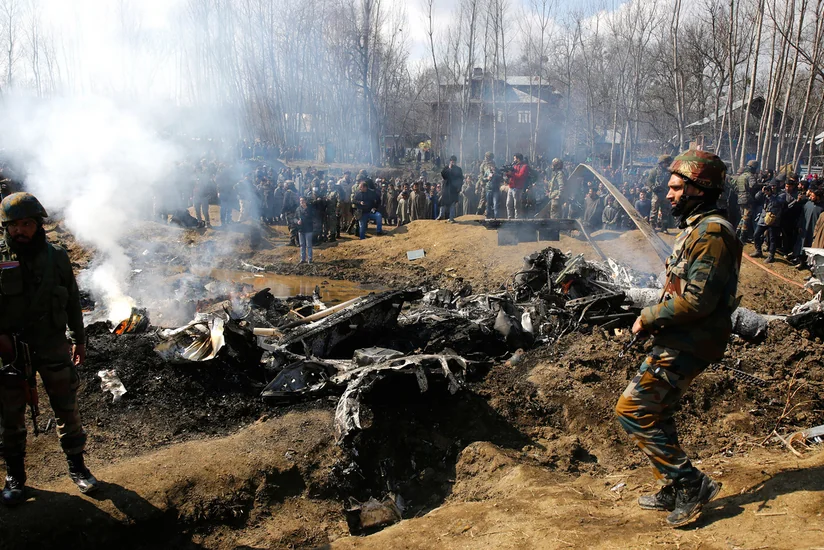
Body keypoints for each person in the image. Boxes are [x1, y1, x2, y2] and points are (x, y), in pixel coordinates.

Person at [615, 150, 742, 528]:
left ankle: (691, 484)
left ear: (699, 188)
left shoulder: (713, 233)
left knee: (632, 409)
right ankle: (672, 484)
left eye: (675, 188)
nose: (668, 195)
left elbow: (699, 300)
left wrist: (647, 317)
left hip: (692, 340)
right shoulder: (698, 227)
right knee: (659, 411)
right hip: (680, 337)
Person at [0, 193, 99, 505]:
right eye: (13, 225)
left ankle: (78, 466)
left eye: (26, 224)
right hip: (11, 349)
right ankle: (15, 476)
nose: (20, 231)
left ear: (38, 225)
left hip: (53, 342)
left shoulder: (56, 256)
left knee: (66, 405)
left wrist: (79, 339)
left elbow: (71, 298)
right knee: (10, 415)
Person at [751, 182, 785, 263]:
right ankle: (758, 250)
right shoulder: (765, 195)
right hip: (764, 217)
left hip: (773, 219)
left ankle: (771, 256)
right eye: (771, 186)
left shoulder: (781, 194)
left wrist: (771, 195)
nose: (772, 187)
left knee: (772, 239)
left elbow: (780, 202)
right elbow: (757, 197)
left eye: (774, 186)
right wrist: (762, 192)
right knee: (756, 235)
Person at [647, 155, 674, 233]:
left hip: (666, 193)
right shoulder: (654, 171)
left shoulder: (669, 172)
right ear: (661, 163)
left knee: (665, 211)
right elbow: (649, 181)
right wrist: (653, 187)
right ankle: (652, 226)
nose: (667, 164)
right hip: (656, 194)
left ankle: (664, 227)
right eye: (666, 163)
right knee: (654, 210)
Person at [734, 160, 759, 241]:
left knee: (743, 217)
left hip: (740, 198)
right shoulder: (750, 176)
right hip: (747, 199)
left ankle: (737, 233)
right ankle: (742, 237)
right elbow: (753, 186)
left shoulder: (741, 176)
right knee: (746, 218)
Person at [438, 156, 463, 223]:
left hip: (454, 189)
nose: (453, 162)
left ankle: (451, 217)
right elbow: (443, 175)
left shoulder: (458, 169)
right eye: (452, 161)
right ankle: (441, 215)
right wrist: (449, 169)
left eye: (454, 161)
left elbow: (461, 179)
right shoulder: (446, 167)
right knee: (443, 202)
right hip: (446, 188)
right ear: (450, 161)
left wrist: (459, 187)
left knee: (452, 203)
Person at [506, 153, 529, 220]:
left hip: (518, 188)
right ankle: (509, 218)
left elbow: (521, 176)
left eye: (515, 158)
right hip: (511, 187)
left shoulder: (524, 166)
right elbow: (510, 176)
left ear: (518, 159)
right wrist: (507, 173)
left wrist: (512, 174)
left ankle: (517, 219)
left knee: (517, 205)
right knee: (508, 204)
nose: (514, 160)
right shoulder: (514, 166)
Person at [295, 196, 314, 264]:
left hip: (308, 229)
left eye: (303, 200)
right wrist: (297, 221)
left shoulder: (310, 209)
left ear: (306, 201)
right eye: (300, 201)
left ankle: (310, 259)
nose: (301, 202)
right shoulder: (298, 209)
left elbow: (313, 218)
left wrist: (305, 219)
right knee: (302, 245)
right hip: (301, 229)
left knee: (309, 245)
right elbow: (295, 218)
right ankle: (302, 259)